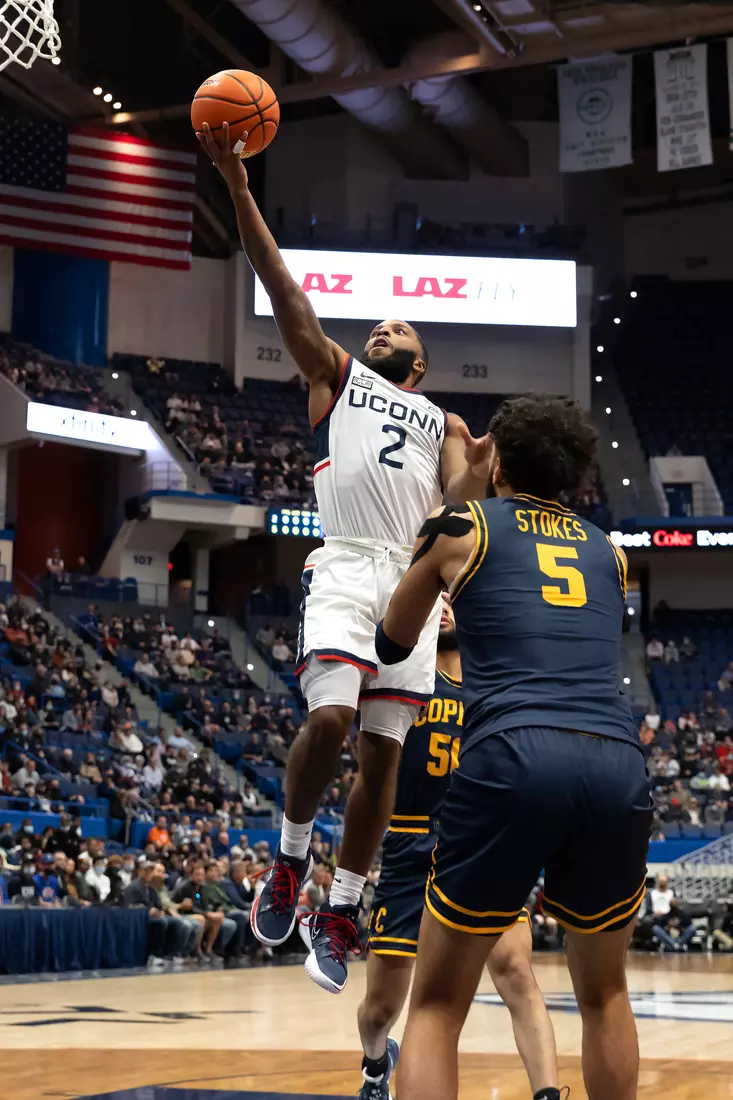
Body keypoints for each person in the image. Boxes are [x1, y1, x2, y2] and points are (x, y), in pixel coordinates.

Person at [199, 121, 493, 990]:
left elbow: (456, 508)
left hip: (409, 581)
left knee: (382, 755)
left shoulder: (442, 419)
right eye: (376, 325)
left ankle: (342, 907)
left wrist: (478, 474)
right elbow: (283, 287)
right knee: (328, 722)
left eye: (397, 327)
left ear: (420, 362)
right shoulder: (336, 377)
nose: (382, 327)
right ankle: (290, 860)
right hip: (345, 561)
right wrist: (239, 187)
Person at [375, 394, 653, 1100]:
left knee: (437, 1005)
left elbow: (394, 640)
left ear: (497, 460)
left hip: (512, 753)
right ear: (576, 474)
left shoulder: (460, 527)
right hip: (615, 759)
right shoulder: (610, 553)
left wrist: (462, 491)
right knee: (605, 994)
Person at [355, 599, 558, 1100]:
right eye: (436, 599)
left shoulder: (497, 685)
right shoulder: (400, 670)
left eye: (453, 600)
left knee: (517, 973)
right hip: (410, 840)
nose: (443, 608)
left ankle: (548, 1094)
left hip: (478, 843)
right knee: (381, 1008)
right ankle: (376, 1066)